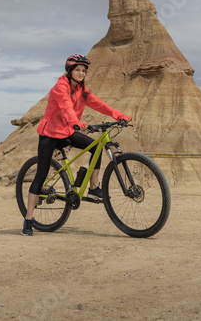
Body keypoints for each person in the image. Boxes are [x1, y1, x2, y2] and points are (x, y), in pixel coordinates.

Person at [22, 54, 131, 236]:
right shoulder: (60, 87)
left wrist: (118, 115)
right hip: (50, 134)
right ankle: (28, 219)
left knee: (96, 146)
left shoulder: (82, 89)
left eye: (84, 70)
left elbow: (98, 104)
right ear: (70, 71)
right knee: (41, 175)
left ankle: (94, 188)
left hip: (67, 131)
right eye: (78, 70)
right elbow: (66, 107)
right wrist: (75, 121)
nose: (81, 73)